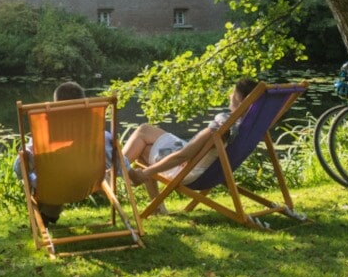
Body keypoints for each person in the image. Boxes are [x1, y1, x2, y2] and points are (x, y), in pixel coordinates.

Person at [122, 78, 258, 201]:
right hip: (205, 168)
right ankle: (156, 208)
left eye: (233, 93)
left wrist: (145, 173)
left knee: (143, 136)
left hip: (188, 170)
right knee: (144, 133)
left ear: (242, 100)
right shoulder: (246, 125)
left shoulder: (220, 127)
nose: (230, 96)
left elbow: (182, 157)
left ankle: (114, 170)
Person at [15, 81, 118, 227]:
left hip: (51, 187)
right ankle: (49, 214)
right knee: (63, 174)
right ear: (84, 104)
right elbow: (117, 158)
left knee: (39, 176)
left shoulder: (43, 137)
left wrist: (24, 167)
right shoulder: (100, 135)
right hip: (88, 183)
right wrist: (131, 173)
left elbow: (19, 169)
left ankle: (47, 214)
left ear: (56, 106)